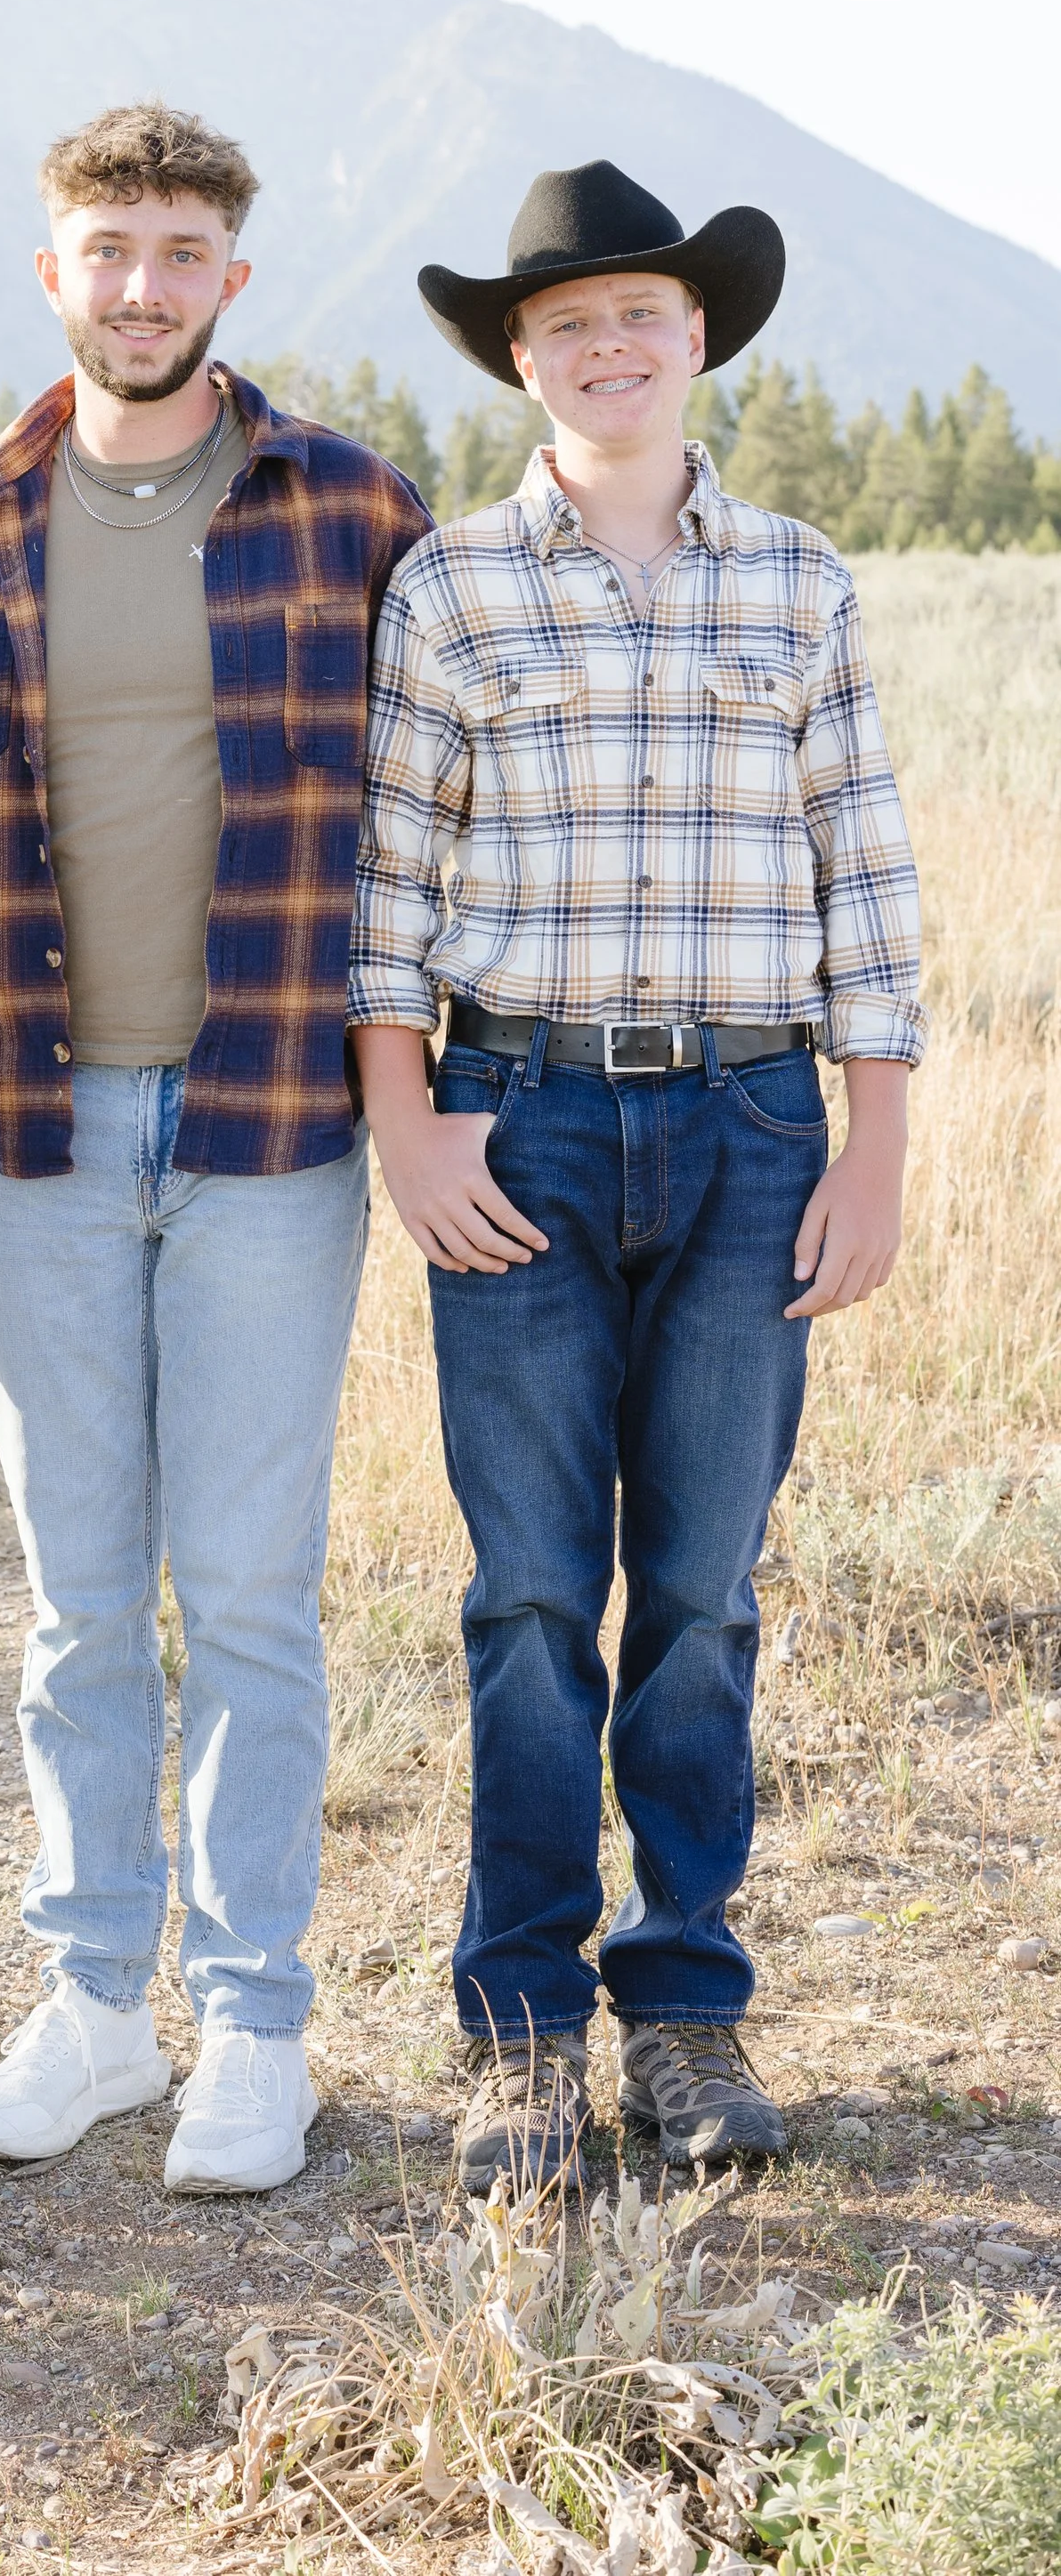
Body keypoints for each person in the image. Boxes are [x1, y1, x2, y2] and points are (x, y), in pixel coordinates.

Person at [348, 160, 924, 2194]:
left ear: (698, 341)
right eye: (567, 320)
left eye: (642, 316)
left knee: (697, 1590)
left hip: (754, 1126)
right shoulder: (448, 587)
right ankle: (516, 2028)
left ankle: (679, 2001)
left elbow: (862, 873)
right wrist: (402, 1122)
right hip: (517, 1120)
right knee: (523, 1593)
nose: (608, 345)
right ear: (521, 355)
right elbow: (390, 886)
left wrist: (871, 1152)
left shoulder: (796, 581)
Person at [0, 101, 432, 2193]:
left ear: (230, 275)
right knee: (71, 1601)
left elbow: (434, 806)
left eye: (179, 250)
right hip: (36, 1124)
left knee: (249, 1593)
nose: (139, 285)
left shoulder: (349, 508)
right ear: (52, 274)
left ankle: (256, 2030)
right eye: (103, 249)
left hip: (266, 1126)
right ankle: (93, 2009)